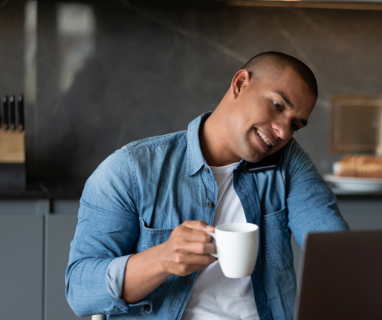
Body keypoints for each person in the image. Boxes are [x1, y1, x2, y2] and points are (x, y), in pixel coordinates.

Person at [66, 51, 349, 320]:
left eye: (295, 125)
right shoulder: (131, 169)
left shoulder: (287, 164)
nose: (283, 132)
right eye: (277, 106)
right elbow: (79, 289)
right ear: (240, 84)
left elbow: (335, 248)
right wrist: (162, 259)